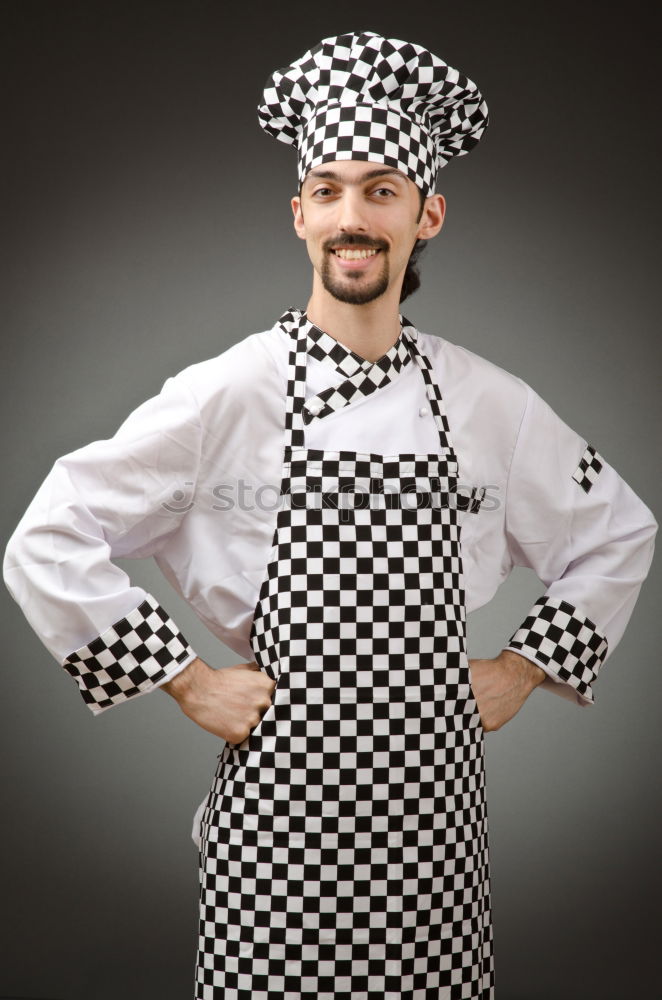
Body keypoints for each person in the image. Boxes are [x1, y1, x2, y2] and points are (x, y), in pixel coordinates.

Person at [3, 30, 656, 1000]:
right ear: (299, 213)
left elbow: (618, 530)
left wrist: (520, 670)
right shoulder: (228, 390)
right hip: (274, 842)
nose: (353, 216)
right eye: (331, 190)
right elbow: (49, 535)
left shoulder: (487, 403)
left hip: (431, 844)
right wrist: (184, 681)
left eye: (382, 189)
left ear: (426, 213)